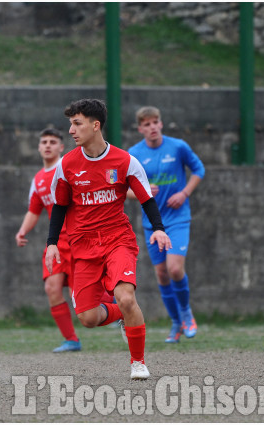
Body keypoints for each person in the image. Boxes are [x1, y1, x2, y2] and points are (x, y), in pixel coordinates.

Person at [45, 99, 171, 380]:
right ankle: (125, 316)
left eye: (76, 123)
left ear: (95, 125)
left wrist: (159, 228)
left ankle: (138, 362)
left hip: (117, 240)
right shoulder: (67, 165)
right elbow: (60, 206)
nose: (71, 130)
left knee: (126, 296)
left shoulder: (125, 161)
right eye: (71, 124)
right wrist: (52, 242)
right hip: (83, 245)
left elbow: (145, 198)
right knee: (88, 318)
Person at [127, 106, 205, 343]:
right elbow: (121, 189)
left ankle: (186, 314)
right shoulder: (133, 154)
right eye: (146, 124)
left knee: (174, 269)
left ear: (161, 124)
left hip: (178, 219)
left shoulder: (178, 146)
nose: (152, 127)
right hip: (153, 223)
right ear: (140, 128)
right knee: (161, 274)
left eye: (155, 122)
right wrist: (141, 192)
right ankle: (175, 324)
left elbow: (199, 169)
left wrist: (184, 193)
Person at [15, 128, 83, 353]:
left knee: (83, 302)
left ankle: (118, 311)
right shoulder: (38, 179)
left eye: (53, 142)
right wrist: (23, 230)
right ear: (38, 147)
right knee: (51, 288)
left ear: (61, 147)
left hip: (80, 240)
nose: (47, 145)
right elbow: (34, 210)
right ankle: (71, 340)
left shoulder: (69, 168)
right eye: (43, 141)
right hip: (56, 244)